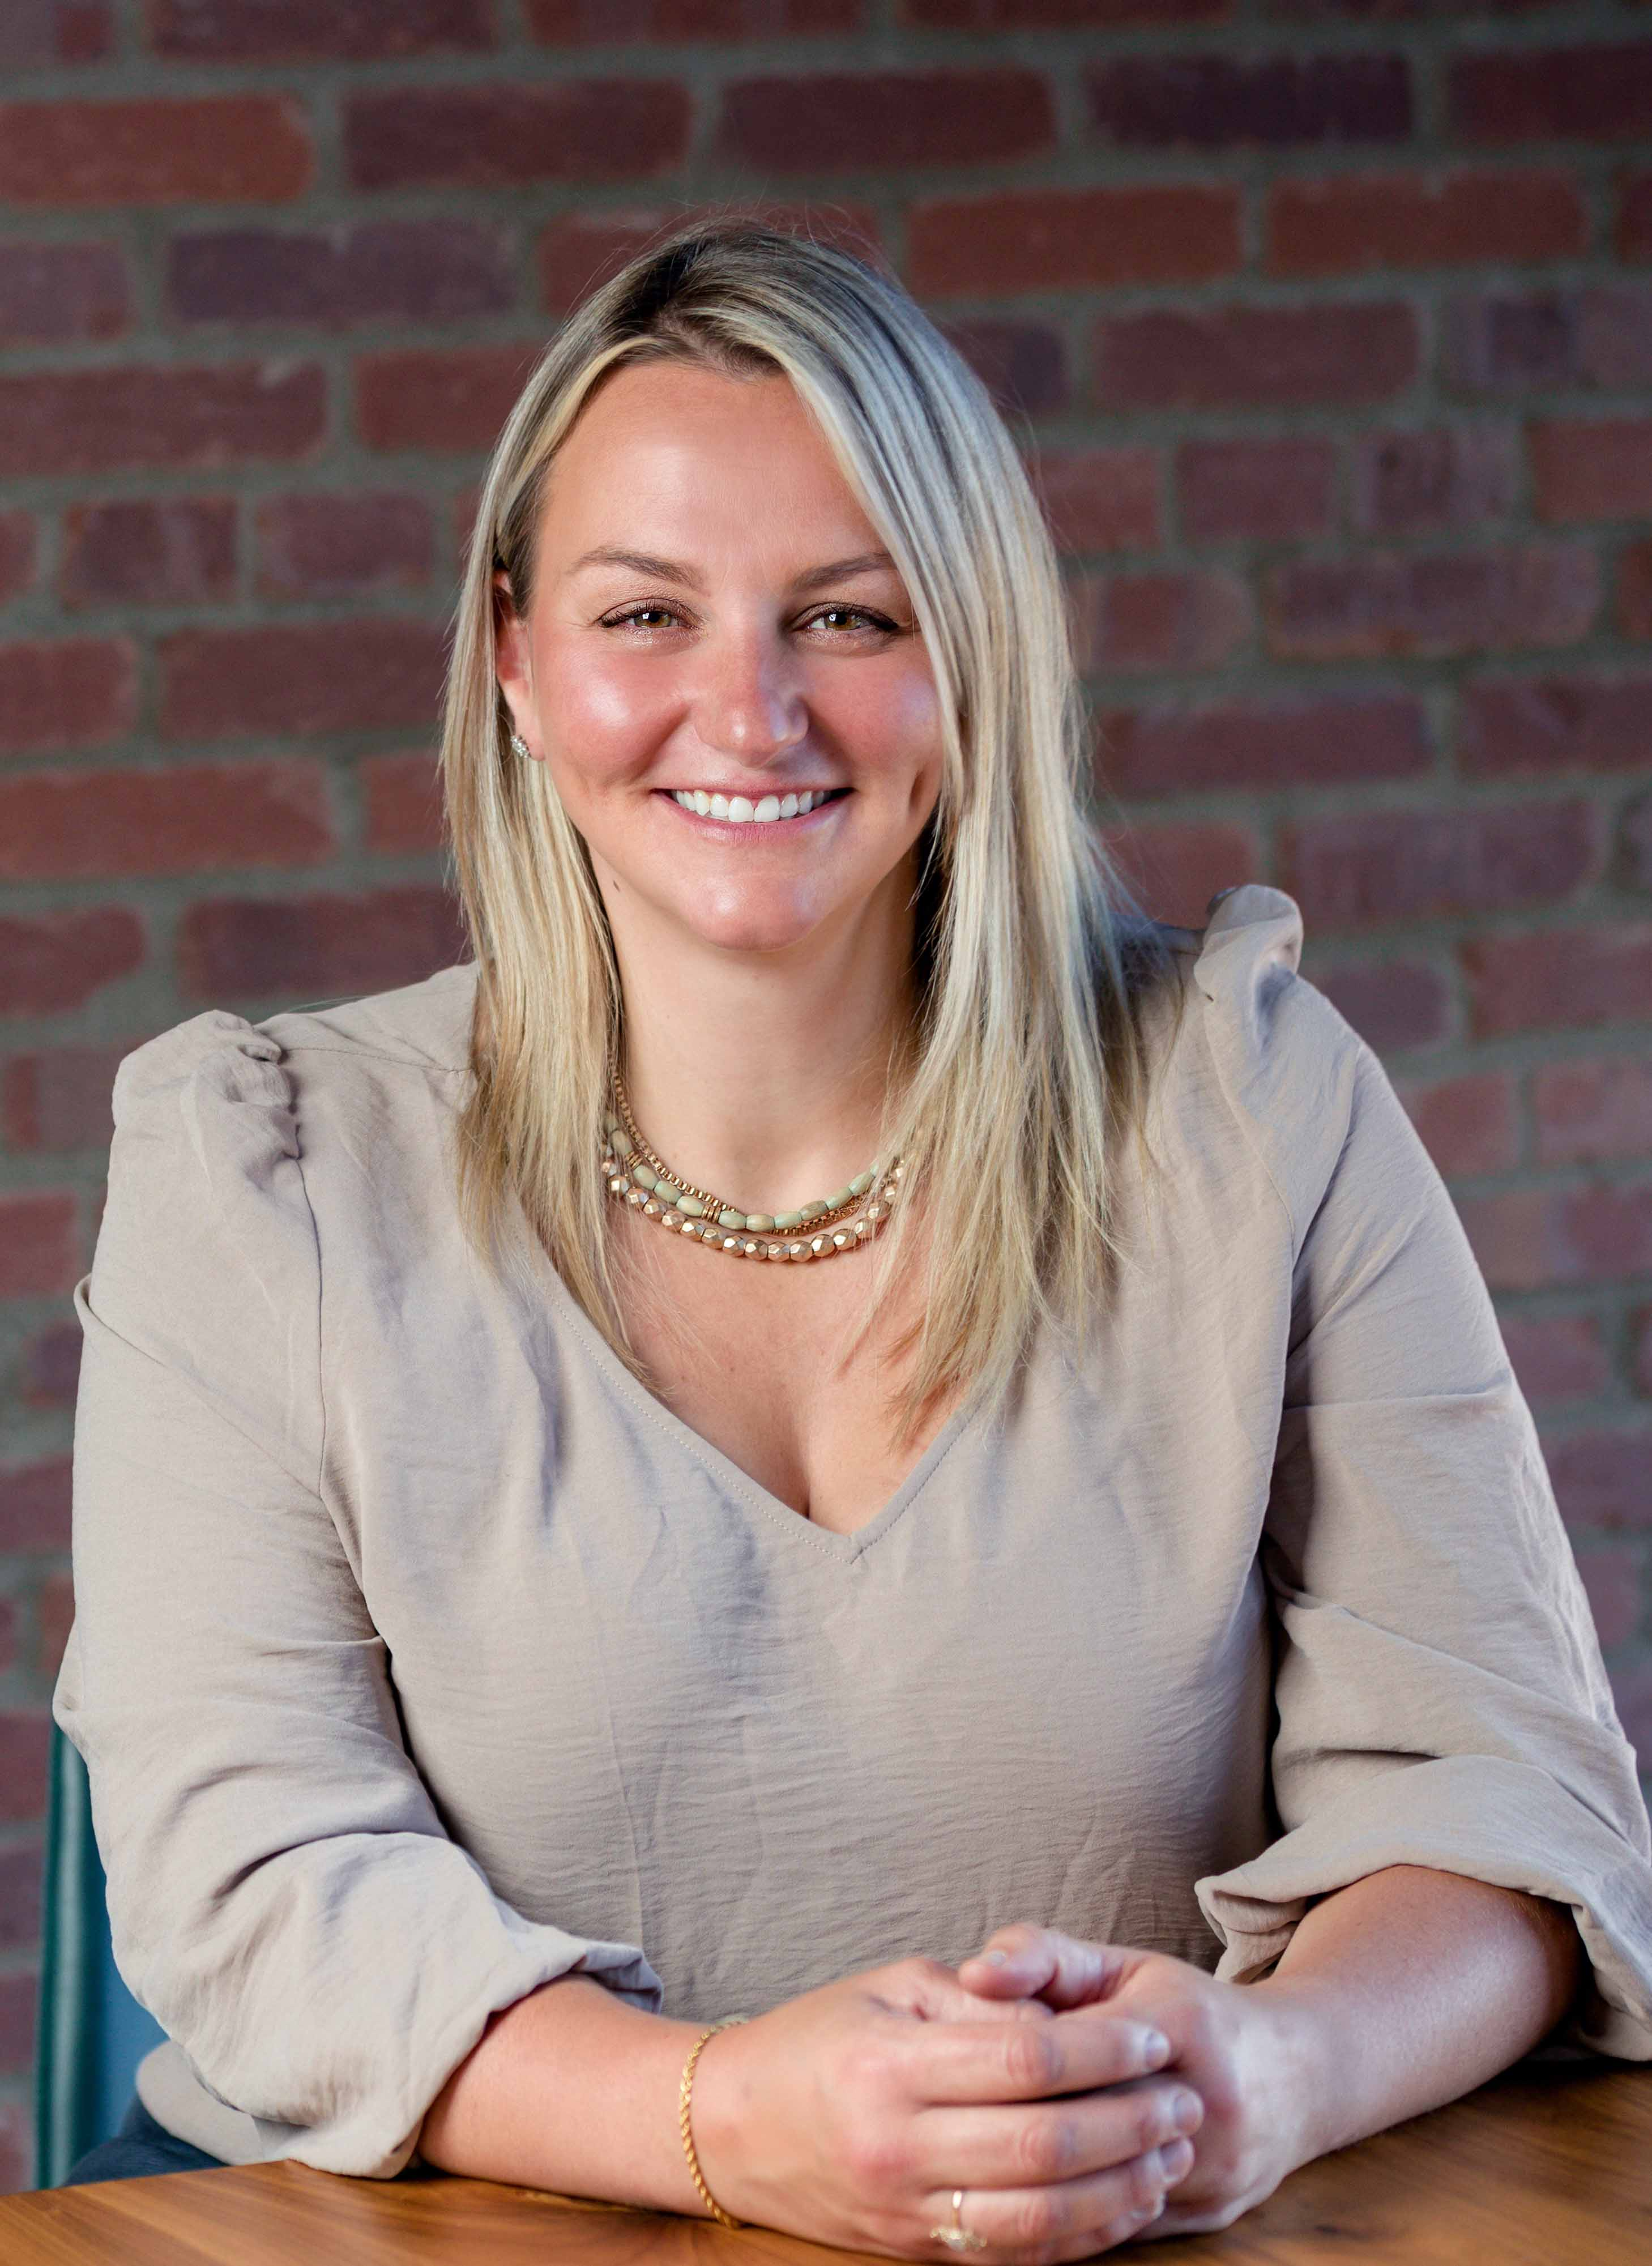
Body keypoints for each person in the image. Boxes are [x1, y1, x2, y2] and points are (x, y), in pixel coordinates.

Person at [54, 221, 1652, 2250]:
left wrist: (1261, 2078)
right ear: (518, 664)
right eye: (647, 612)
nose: (749, 710)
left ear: (972, 662)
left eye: (847, 615)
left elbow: (1508, 1795)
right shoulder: (258, 1178)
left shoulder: (1247, 1107)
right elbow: (255, 1887)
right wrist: (729, 2120)